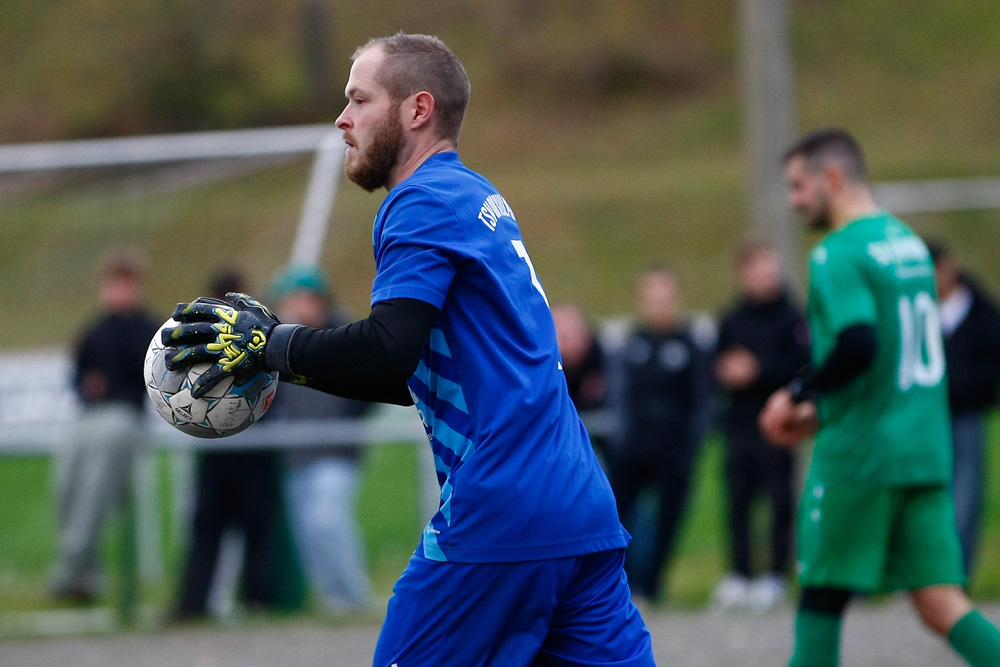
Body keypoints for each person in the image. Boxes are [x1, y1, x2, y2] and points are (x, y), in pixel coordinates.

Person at [159, 33, 654, 667]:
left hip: (501, 507)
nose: (342, 119)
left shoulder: (420, 200)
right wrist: (292, 357)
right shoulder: (474, 195)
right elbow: (418, 371)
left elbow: (386, 351)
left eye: (359, 100)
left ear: (417, 109)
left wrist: (269, 345)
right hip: (578, 505)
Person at [759, 128, 1000, 666]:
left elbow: (859, 344)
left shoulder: (838, 253)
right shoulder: (907, 243)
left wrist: (796, 394)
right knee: (941, 603)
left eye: (799, 186)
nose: (794, 201)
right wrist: (821, 407)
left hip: (862, 458)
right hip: (923, 452)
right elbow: (888, 360)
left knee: (821, 594)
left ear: (832, 178)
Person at [170, 268, 288, 621]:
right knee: (234, 527)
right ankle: (246, 602)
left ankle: (200, 605)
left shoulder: (218, 333)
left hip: (237, 449)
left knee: (222, 528)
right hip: (233, 450)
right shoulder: (256, 330)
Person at [51, 249, 159, 603]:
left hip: (124, 417)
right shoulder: (95, 330)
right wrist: (89, 387)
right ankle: (85, 574)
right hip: (89, 416)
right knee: (66, 484)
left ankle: (70, 571)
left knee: (96, 487)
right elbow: (79, 377)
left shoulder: (148, 329)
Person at [267, 264, 372, 614]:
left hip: (335, 451)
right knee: (307, 534)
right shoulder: (282, 342)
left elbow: (367, 391)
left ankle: (354, 596)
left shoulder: (345, 337)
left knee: (326, 521)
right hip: (296, 455)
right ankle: (333, 601)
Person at [711, 239, 809, 611]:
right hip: (739, 424)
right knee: (737, 500)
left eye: (771, 267)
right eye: (759, 268)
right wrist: (726, 372)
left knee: (780, 499)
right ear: (744, 273)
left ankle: (776, 575)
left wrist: (758, 370)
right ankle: (740, 573)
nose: (768, 275)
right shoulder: (732, 318)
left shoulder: (793, 317)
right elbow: (716, 366)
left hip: (779, 423)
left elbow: (802, 365)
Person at [609, 265, 710, 603]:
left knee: (668, 520)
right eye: (653, 295)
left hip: (674, 451)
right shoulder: (631, 343)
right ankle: (621, 584)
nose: (659, 303)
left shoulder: (691, 345)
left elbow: (702, 400)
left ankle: (652, 586)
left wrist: (691, 447)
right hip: (632, 449)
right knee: (618, 515)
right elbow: (619, 394)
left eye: (665, 295)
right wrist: (621, 439)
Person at [927, 239, 1000, 576]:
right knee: (931, 495)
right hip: (929, 416)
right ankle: (930, 573)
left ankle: (958, 573)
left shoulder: (979, 308)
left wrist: (973, 384)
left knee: (966, 495)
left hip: (968, 412)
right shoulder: (921, 312)